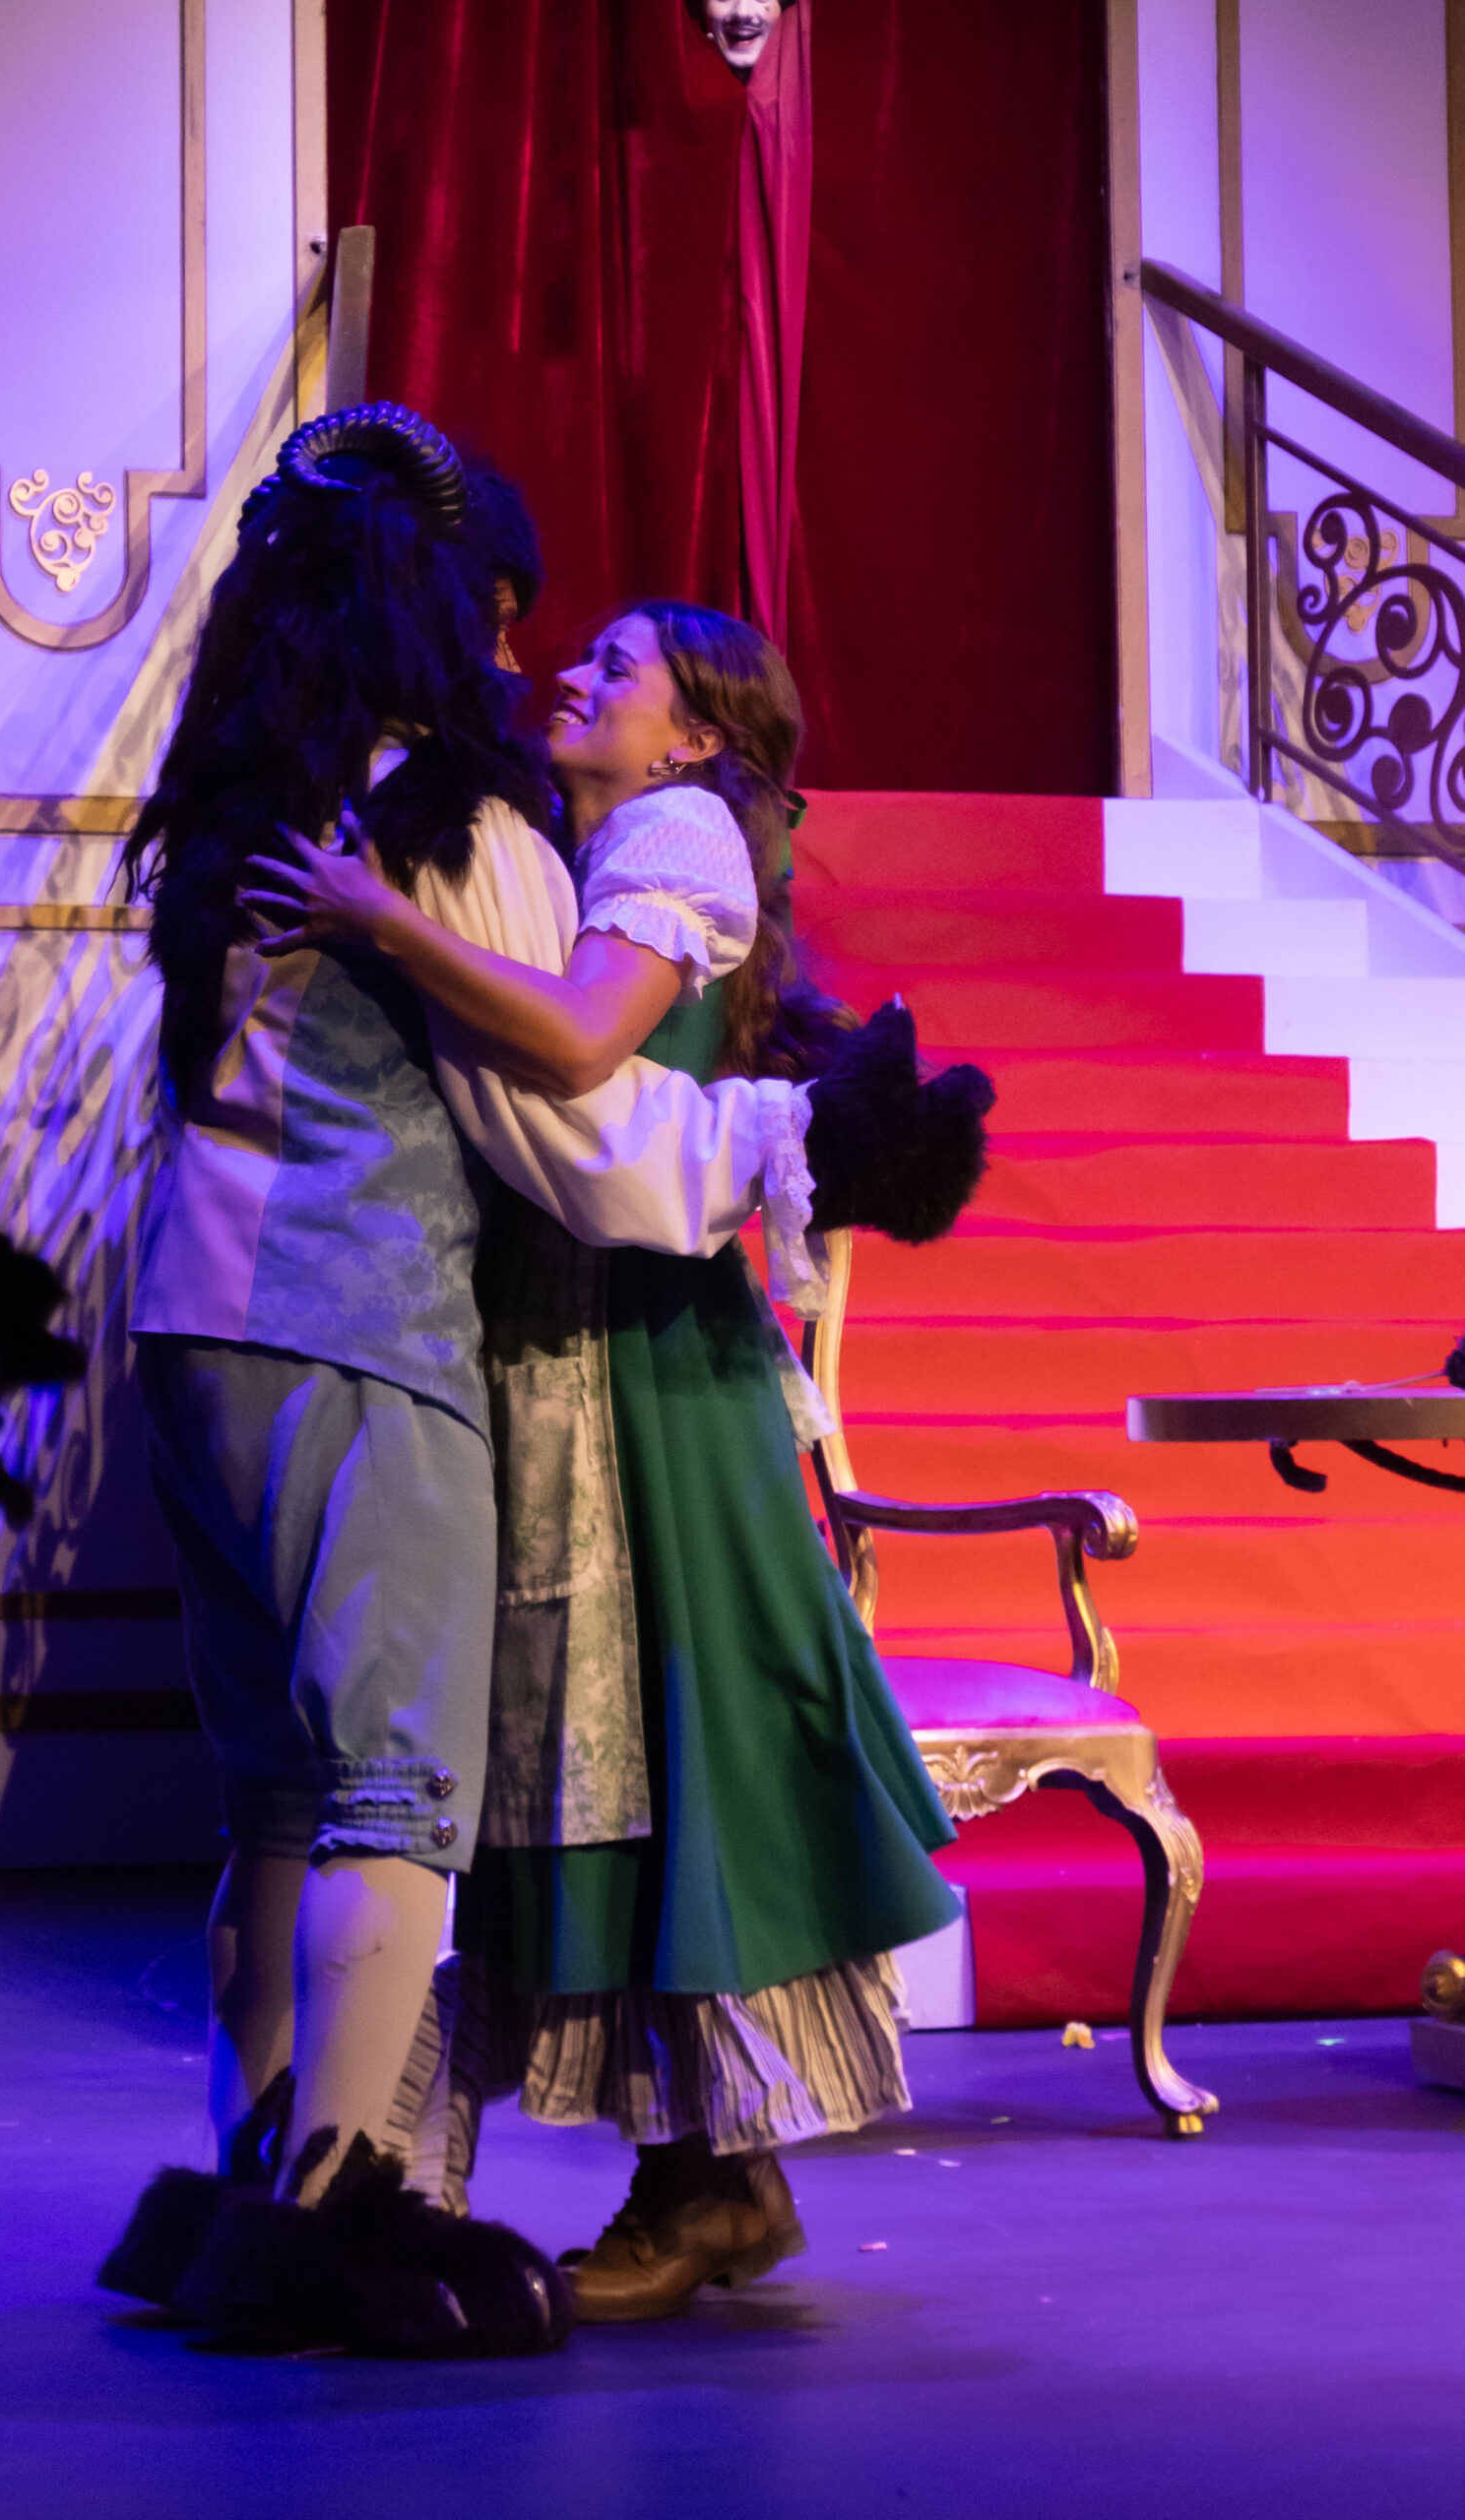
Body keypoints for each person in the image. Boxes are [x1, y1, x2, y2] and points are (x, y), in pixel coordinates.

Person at [242, 599, 992, 2321]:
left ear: (695, 739)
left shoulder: (677, 838)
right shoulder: (559, 845)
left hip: (649, 1365)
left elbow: (581, 1047)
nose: (577, 676)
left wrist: (377, 917)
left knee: (674, 1744)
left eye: (620, 668)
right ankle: (623, 2174)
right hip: (547, 1345)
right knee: (565, 1756)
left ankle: (710, 2179)